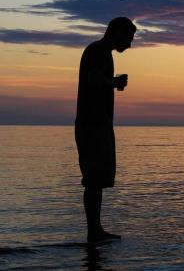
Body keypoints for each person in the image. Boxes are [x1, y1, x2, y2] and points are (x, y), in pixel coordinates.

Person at [75, 17, 136, 243]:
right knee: (93, 179)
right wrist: (114, 82)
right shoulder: (97, 51)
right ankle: (94, 232)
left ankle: (96, 230)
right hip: (92, 125)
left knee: (98, 180)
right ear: (117, 32)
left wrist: (112, 82)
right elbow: (93, 80)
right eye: (129, 37)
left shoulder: (102, 53)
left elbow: (98, 80)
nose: (130, 44)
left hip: (98, 124)